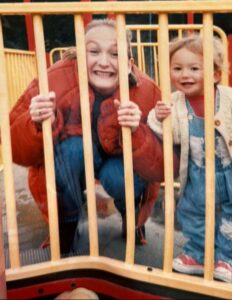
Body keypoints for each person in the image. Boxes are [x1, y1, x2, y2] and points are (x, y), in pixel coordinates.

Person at [9, 19, 176, 254]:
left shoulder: (147, 91)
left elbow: (163, 166)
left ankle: (133, 218)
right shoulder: (52, 80)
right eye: (94, 51)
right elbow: (14, 148)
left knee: (118, 177)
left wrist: (140, 132)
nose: (104, 62)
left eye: (115, 53)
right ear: (79, 56)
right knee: (72, 152)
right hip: (75, 159)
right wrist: (34, 122)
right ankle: (66, 225)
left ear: (129, 63)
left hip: (119, 163)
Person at [147, 34, 232, 283]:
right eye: (177, 68)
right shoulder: (174, 102)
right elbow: (169, 134)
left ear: (215, 74)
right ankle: (196, 254)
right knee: (191, 213)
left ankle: (225, 259)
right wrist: (159, 116)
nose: (185, 75)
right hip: (196, 172)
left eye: (194, 68)